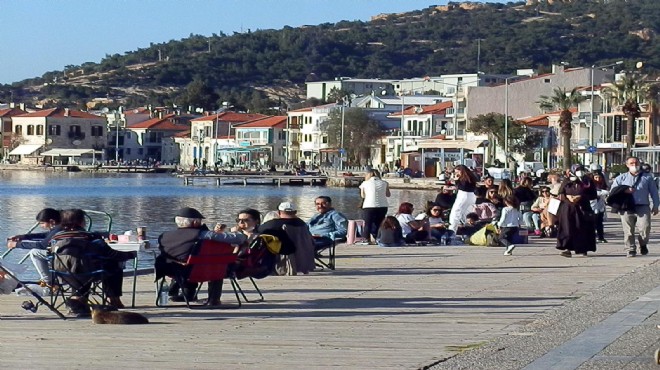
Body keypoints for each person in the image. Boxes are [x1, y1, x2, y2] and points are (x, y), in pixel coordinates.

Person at [50, 209, 136, 314]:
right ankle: (114, 300)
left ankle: (78, 299)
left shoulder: (55, 238)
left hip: (61, 274)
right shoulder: (90, 237)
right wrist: (130, 254)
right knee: (113, 264)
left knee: (80, 268)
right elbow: (111, 254)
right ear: (82, 222)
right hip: (87, 273)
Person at [155, 207, 246, 305]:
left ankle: (187, 294)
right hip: (211, 272)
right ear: (195, 222)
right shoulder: (204, 235)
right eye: (200, 221)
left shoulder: (164, 236)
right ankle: (213, 299)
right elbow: (240, 238)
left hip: (175, 272)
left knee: (188, 262)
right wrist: (236, 231)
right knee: (217, 264)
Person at [207, 208, 261, 306]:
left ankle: (213, 299)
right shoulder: (233, 235)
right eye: (238, 220)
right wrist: (218, 234)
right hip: (227, 261)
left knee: (216, 268)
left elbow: (240, 254)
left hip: (242, 264)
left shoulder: (257, 236)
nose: (241, 223)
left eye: (246, 220)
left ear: (256, 221)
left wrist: (239, 239)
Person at [611, 156, 660, 257]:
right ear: (627, 165)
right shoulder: (621, 178)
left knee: (645, 228)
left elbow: (654, 192)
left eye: (636, 163)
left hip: (643, 206)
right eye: (632, 163)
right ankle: (630, 248)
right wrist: (624, 190)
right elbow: (613, 192)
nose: (634, 165)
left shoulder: (647, 177)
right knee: (628, 230)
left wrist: (656, 205)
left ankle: (643, 244)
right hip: (626, 207)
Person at [7, 208, 62, 286]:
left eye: (42, 223)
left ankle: (49, 282)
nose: (41, 226)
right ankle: (51, 280)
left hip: (61, 258)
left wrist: (16, 245)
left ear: (52, 221)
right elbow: (46, 235)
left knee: (35, 252)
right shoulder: (62, 227)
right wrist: (24, 237)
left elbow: (42, 245)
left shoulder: (58, 230)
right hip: (74, 258)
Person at [259, 202, 316, 275]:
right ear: (295, 212)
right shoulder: (302, 224)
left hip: (283, 255)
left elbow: (258, 231)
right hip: (302, 256)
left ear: (279, 212)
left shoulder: (274, 224)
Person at [556, 166, 598, 257]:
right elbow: (560, 193)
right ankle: (567, 249)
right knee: (568, 228)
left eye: (581, 170)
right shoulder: (567, 181)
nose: (580, 172)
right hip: (568, 208)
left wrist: (581, 197)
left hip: (583, 208)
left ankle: (583, 248)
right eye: (577, 170)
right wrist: (568, 197)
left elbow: (593, 195)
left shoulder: (587, 181)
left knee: (582, 228)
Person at [359, 169, 391, 244]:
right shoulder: (384, 183)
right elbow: (388, 194)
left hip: (369, 205)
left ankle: (366, 239)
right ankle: (378, 238)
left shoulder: (365, 183)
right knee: (380, 223)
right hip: (382, 205)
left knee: (368, 223)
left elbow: (363, 196)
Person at [448, 165, 479, 233]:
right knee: (466, 213)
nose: (456, 174)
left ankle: (452, 231)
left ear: (461, 171)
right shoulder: (471, 177)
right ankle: (468, 230)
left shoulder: (463, 178)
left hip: (463, 195)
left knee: (455, 213)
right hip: (472, 195)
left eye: (457, 172)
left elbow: (462, 187)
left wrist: (456, 181)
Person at [591, 172, 610, 243]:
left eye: (599, 177)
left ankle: (601, 237)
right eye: (596, 177)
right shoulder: (591, 185)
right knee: (593, 223)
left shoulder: (603, 185)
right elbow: (597, 193)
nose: (598, 179)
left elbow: (607, 193)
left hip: (600, 206)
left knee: (599, 222)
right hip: (592, 206)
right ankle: (592, 237)